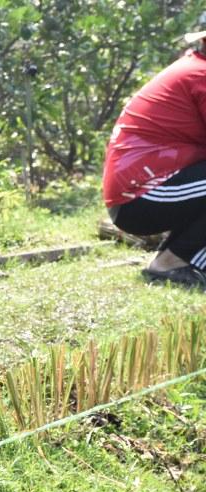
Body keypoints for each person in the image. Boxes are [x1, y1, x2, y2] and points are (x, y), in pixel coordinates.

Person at [103, 15, 206, 289]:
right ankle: (169, 263)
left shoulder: (193, 67)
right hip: (139, 195)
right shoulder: (200, 75)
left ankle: (176, 259)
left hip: (145, 190)